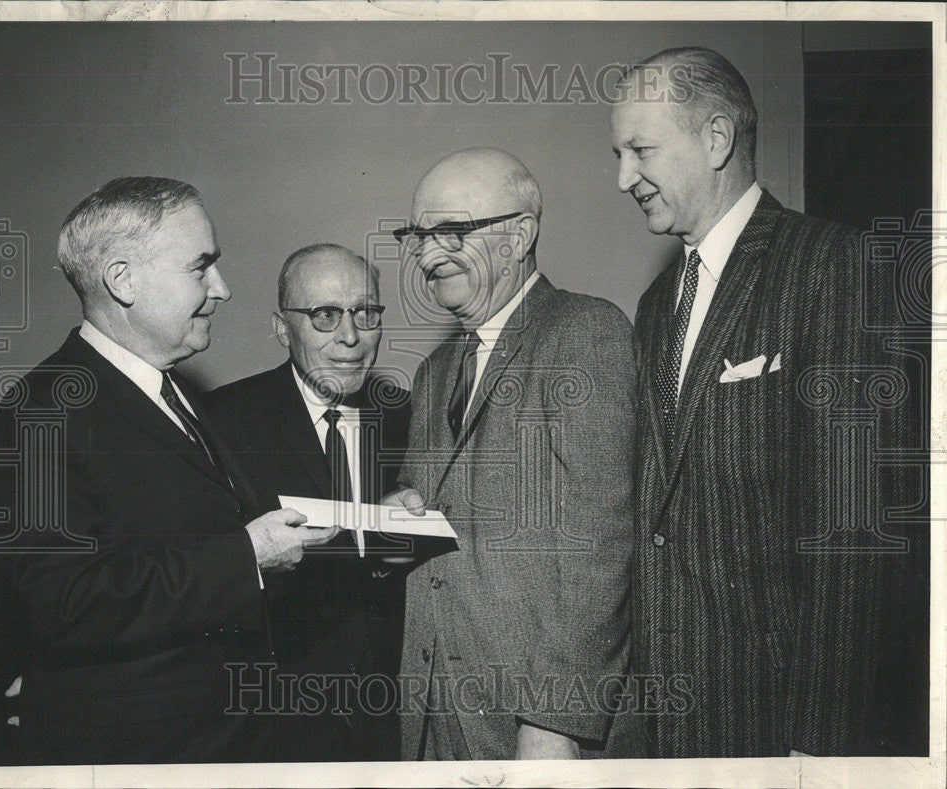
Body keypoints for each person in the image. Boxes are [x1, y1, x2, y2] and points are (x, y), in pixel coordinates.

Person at [610, 47, 923, 757]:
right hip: (670, 726)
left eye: (640, 149)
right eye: (618, 152)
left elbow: (858, 532)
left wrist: (823, 747)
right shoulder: (657, 303)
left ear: (716, 139)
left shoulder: (834, 265)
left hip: (780, 725)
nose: (623, 176)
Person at [0, 177, 337, 764]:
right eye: (200, 268)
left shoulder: (172, 392)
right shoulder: (42, 409)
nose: (222, 288)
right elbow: (57, 603)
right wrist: (245, 556)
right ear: (123, 281)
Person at [385, 148, 642, 760]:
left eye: (449, 232)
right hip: (432, 713)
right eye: (417, 236)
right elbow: (428, 507)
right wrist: (397, 509)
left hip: (535, 723)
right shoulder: (435, 369)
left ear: (519, 234)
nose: (425, 256)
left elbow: (600, 544)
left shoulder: (585, 333)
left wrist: (556, 722)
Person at [205, 243, 411, 761]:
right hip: (273, 720)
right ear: (282, 329)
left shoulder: (412, 420)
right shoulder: (221, 422)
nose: (350, 336)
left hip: (401, 713)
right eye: (324, 315)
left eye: (366, 313)